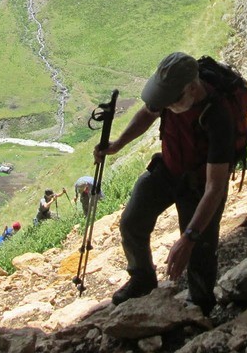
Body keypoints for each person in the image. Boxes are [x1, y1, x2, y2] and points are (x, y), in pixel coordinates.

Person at [94, 52, 235, 316]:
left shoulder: (218, 117)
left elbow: (215, 188)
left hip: (200, 187)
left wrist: (189, 238)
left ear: (192, 89)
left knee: (200, 251)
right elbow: (148, 113)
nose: (166, 107)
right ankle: (142, 278)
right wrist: (116, 145)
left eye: (171, 103)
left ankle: (200, 306)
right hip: (169, 169)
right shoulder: (172, 94)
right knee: (131, 222)